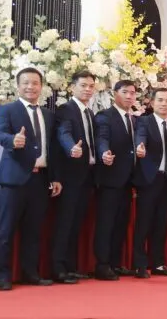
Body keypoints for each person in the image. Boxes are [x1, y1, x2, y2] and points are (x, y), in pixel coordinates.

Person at [0, 67, 59, 291]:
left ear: (41, 86)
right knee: (5, 231)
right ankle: (2, 276)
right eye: (26, 83)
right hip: (12, 180)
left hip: (40, 181)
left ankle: (31, 274)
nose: (30, 87)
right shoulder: (7, 109)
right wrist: (12, 140)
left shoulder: (48, 115)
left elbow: (52, 149)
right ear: (18, 86)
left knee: (34, 231)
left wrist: (55, 177)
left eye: (35, 83)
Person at [49, 71, 97, 284]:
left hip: (87, 177)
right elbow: (64, 133)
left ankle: (70, 266)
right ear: (72, 87)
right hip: (70, 177)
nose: (87, 89)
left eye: (91, 86)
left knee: (76, 223)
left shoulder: (90, 113)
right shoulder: (65, 109)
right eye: (83, 85)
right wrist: (71, 148)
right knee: (65, 223)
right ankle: (58, 268)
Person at [93, 80, 139, 280]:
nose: (129, 96)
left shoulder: (135, 119)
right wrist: (104, 153)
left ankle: (115, 263)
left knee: (121, 223)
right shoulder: (105, 116)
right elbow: (101, 138)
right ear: (115, 93)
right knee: (106, 223)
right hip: (110, 179)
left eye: (132, 93)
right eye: (125, 92)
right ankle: (102, 265)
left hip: (129, 180)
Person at [131, 88, 167, 278]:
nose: (164, 104)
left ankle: (158, 263)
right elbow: (140, 137)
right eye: (160, 100)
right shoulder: (144, 121)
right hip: (149, 180)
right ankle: (139, 265)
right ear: (152, 102)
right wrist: (139, 147)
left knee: (161, 223)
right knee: (144, 223)